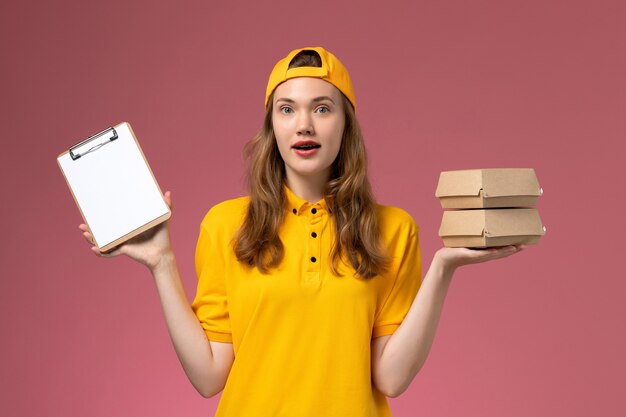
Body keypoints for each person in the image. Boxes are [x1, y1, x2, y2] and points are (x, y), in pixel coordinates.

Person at [79, 46, 524, 416]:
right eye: (287, 109)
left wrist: (443, 269)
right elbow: (208, 377)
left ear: (345, 123)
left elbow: (391, 378)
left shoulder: (394, 229)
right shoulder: (225, 224)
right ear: (272, 125)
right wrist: (161, 263)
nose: (304, 124)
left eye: (322, 108)